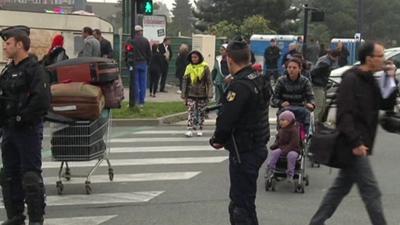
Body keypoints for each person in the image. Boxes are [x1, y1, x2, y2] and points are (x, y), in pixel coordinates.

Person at [309, 42, 397, 225]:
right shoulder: (352, 79)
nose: (384, 59)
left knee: (338, 190)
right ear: (369, 59)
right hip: (353, 145)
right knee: (371, 192)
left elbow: (385, 104)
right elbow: (344, 115)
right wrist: (356, 143)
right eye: (380, 56)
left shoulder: (370, 78)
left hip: (360, 144)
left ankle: (316, 222)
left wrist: (390, 78)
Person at [209, 41, 270, 225]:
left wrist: (217, 140)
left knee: (239, 205)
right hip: (258, 144)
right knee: (247, 203)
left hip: (244, 149)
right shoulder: (259, 78)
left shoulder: (239, 86)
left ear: (229, 59)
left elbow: (227, 120)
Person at [0, 25, 51, 225]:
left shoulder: (35, 70)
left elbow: (41, 100)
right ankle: (15, 216)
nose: (5, 47)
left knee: (30, 176)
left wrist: (22, 118)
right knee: (8, 175)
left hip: (27, 130)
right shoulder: (8, 70)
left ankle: (36, 219)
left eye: (8, 43)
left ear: (20, 44)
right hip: (9, 130)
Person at [272, 58, 315, 130]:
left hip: (301, 108)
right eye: (289, 67)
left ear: (299, 69)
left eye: (294, 68)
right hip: (285, 109)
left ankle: (305, 136)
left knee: (307, 117)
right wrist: (280, 103)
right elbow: (273, 99)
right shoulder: (281, 80)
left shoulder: (305, 81)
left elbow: (311, 97)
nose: (291, 69)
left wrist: (311, 104)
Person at [181, 50, 212, 137]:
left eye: (195, 57)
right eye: (192, 57)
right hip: (191, 93)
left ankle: (200, 128)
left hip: (202, 94)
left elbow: (209, 81)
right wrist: (183, 93)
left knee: (201, 112)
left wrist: (209, 93)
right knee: (191, 111)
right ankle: (189, 128)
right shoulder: (189, 67)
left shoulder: (205, 67)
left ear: (199, 58)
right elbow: (185, 81)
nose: (194, 59)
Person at [266, 110, 300, 183]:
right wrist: (275, 145)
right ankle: (270, 169)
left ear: (289, 121)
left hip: (293, 149)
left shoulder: (294, 130)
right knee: (274, 153)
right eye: (280, 120)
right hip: (282, 148)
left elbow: (294, 143)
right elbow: (279, 141)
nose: (281, 122)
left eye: (283, 120)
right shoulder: (281, 130)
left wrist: (286, 150)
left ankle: (290, 174)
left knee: (291, 156)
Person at [124, 25, 151, 107]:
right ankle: (141, 102)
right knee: (143, 83)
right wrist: (147, 63)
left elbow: (127, 52)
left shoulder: (130, 40)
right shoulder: (145, 40)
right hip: (143, 63)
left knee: (134, 83)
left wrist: (127, 63)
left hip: (133, 64)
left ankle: (134, 101)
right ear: (140, 31)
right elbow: (149, 53)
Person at [310, 49, 340, 122]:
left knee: (323, 106)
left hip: (322, 84)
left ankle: (318, 122)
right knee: (319, 105)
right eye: (335, 57)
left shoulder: (326, 60)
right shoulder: (324, 63)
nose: (336, 59)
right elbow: (314, 72)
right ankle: (314, 123)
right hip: (318, 85)